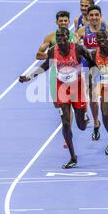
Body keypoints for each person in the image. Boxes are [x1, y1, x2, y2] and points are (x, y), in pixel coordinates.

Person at [20, 27, 94, 169]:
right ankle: (73, 157)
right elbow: (46, 65)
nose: (60, 39)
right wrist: (29, 76)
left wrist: (92, 77)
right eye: (58, 37)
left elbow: (92, 62)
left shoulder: (78, 49)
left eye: (63, 37)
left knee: (82, 126)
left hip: (77, 87)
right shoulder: (52, 51)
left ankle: (84, 116)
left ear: (69, 38)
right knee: (65, 123)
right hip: (62, 88)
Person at [76, 5, 108, 141]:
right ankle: (96, 123)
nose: (94, 18)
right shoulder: (82, 30)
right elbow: (74, 45)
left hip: (105, 63)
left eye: (96, 15)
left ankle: (106, 111)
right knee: (91, 94)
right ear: (87, 17)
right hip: (90, 64)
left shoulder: (107, 28)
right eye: (91, 15)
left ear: (100, 15)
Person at [35, 11, 79, 148]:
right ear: (57, 23)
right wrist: (53, 58)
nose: (63, 23)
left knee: (70, 106)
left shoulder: (75, 36)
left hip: (73, 76)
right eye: (61, 21)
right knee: (59, 105)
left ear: (69, 21)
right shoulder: (51, 37)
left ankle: (68, 132)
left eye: (66, 21)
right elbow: (38, 54)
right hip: (56, 76)